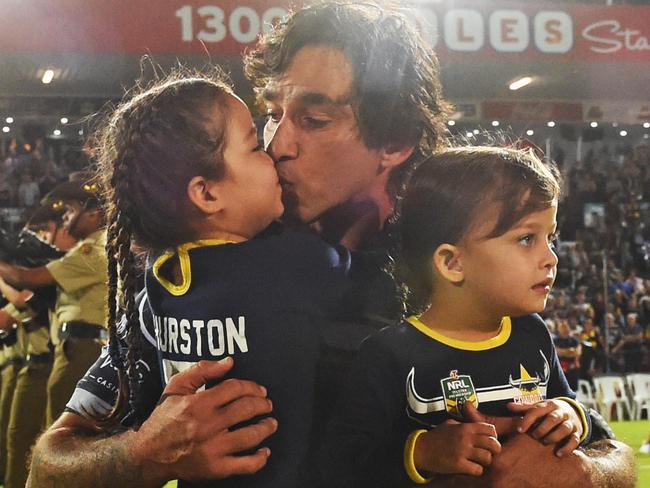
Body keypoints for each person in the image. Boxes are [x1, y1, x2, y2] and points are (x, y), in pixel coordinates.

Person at [29, 2, 634, 488]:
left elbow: (612, 453)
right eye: (271, 113)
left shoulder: (458, 255)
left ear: (393, 140)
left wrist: (581, 472)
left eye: (312, 120)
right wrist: (143, 454)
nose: (276, 143)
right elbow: (50, 463)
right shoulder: (214, 268)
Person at [317, 146, 593, 487]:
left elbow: (570, 406)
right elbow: (338, 464)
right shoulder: (389, 355)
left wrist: (571, 416)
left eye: (550, 237)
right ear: (452, 263)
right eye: (526, 239)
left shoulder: (531, 334)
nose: (550, 257)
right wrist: (420, 452)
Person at [0, 178, 108, 427]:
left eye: (70, 211)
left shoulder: (93, 249)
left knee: (60, 438)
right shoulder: (90, 249)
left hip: (81, 349)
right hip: (74, 348)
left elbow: (28, 281)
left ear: (92, 213)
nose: (65, 220)